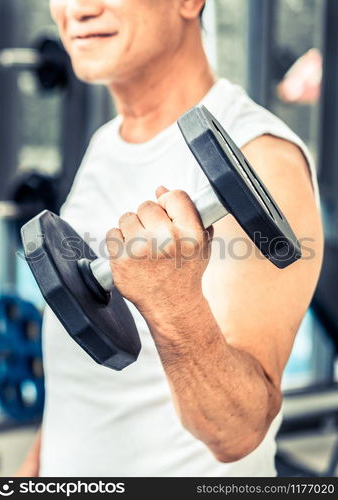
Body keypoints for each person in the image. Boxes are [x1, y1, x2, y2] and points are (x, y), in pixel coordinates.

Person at [17, 0, 323, 477]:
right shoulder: (105, 143)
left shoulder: (263, 154)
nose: (77, 9)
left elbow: (240, 432)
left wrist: (173, 304)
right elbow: (81, 387)